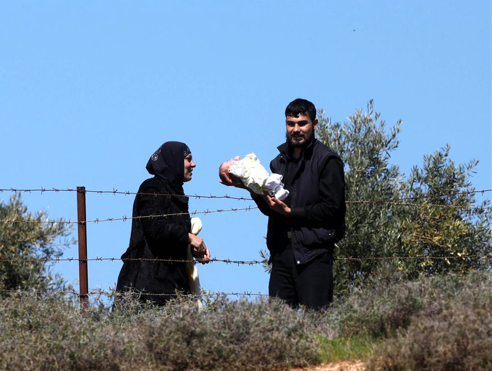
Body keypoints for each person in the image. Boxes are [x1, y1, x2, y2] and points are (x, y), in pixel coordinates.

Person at [225, 98, 345, 310]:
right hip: (281, 255)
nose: (296, 129)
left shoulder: (327, 161)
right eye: (291, 124)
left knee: (317, 325)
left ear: (314, 124)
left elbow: (332, 210)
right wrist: (248, 187)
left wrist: (291, 212)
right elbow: (270, 209)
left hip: (314, 255)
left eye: (302, 123)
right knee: (278, 328)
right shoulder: (277, 163)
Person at [115, 141, 210, 306]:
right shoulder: (152, 188)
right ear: (173, 161)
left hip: (172, 288)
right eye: (188, 159)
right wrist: (189, 238)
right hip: (146, 290)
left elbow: (171, 238)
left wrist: (192, 249)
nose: (193, 164)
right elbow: (155, 228)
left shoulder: (174, 192)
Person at [219, 153, 289, 201]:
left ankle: (279, 190)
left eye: (228, 162)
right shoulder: (239, 172)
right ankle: (279, 192)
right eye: (230, 174)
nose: (231, 167)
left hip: (262, 175)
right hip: (259, 181)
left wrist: (252, 157)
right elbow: (267, 208)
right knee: (267, 186)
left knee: (271, 184)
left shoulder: (244, 162)